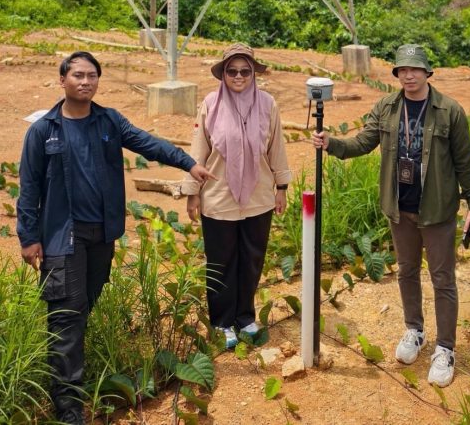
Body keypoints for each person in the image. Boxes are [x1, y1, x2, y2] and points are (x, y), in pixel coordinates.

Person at [17, 51, 214, 425]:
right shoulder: (44, 130)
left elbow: (147, 143)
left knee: (81, 310)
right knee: (66, 318)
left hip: (101, 235)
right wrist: (28, 237)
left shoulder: (108, 121)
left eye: (92, 75)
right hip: (63, 237)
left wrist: (188, 163)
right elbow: (29, 188)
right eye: (78, 75)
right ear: (62, 80)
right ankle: (68, 409)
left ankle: (69, 381)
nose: (85, 81)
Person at [312, 44, 470, 388]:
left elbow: (465, 163)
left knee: (442, 279)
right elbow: (363, 142)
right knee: (406, 271)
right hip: (400, 208)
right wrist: (332, 143)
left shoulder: (449, 111)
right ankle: (414, 330)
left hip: (437, 210)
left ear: (427, 72)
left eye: (415, 69)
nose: (409, 75)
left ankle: (445, 348)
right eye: (403, 69)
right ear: (397, 74)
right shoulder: (387, 107)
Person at [183, 43, 291, 349]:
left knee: (252, 259)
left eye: (245, 71)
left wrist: (281, 187)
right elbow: (198, 151)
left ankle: (245, 317)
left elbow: (277, 148)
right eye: (232, 71)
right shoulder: (211, 104)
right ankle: (221, 321)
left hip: (258, 197)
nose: (239, 76)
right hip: (219, 196)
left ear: (254, 73)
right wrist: (192, 192)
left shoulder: (268, 104)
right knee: (221, 261)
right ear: (223, 74)